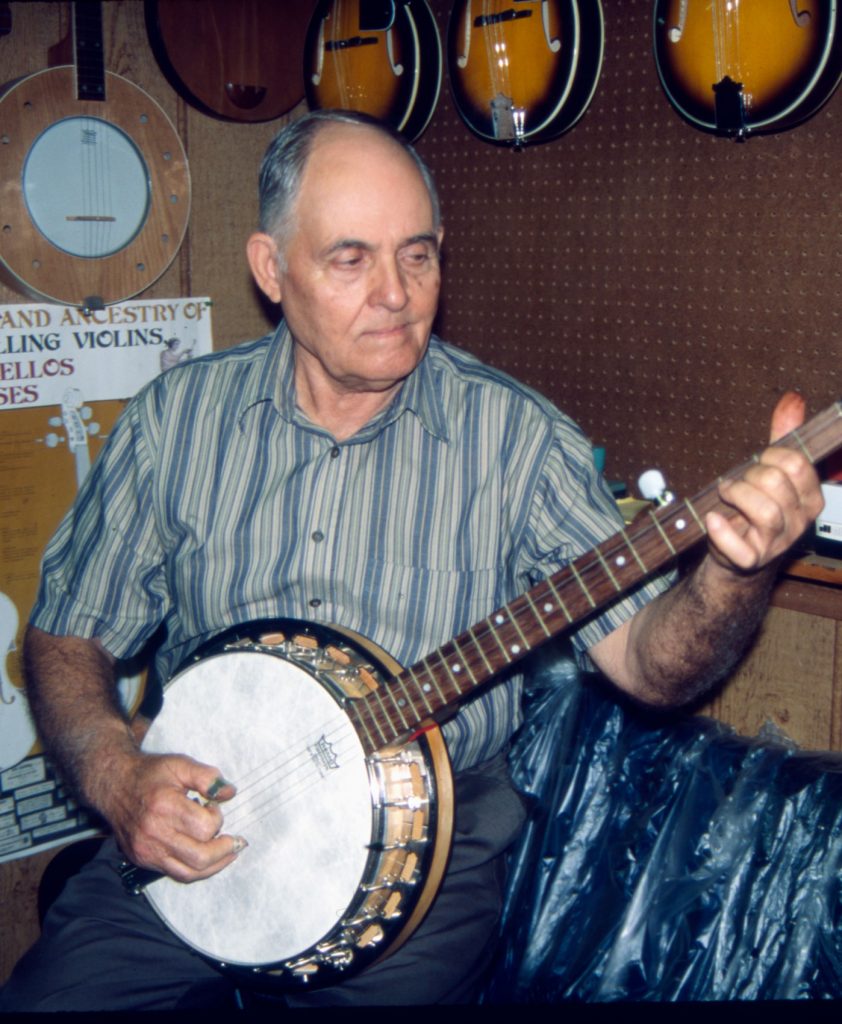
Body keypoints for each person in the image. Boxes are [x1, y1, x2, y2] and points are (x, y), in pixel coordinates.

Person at [0, 110, 823, 1010]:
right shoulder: (175, 423)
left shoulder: (516, 441)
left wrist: (735, 575)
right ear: (272, 270)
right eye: (350, 258)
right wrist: (120, 779)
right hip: (197, 823)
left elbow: (650, 666)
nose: (396, 293)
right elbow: (66, 635)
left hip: (423, 851)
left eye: (419, 254)